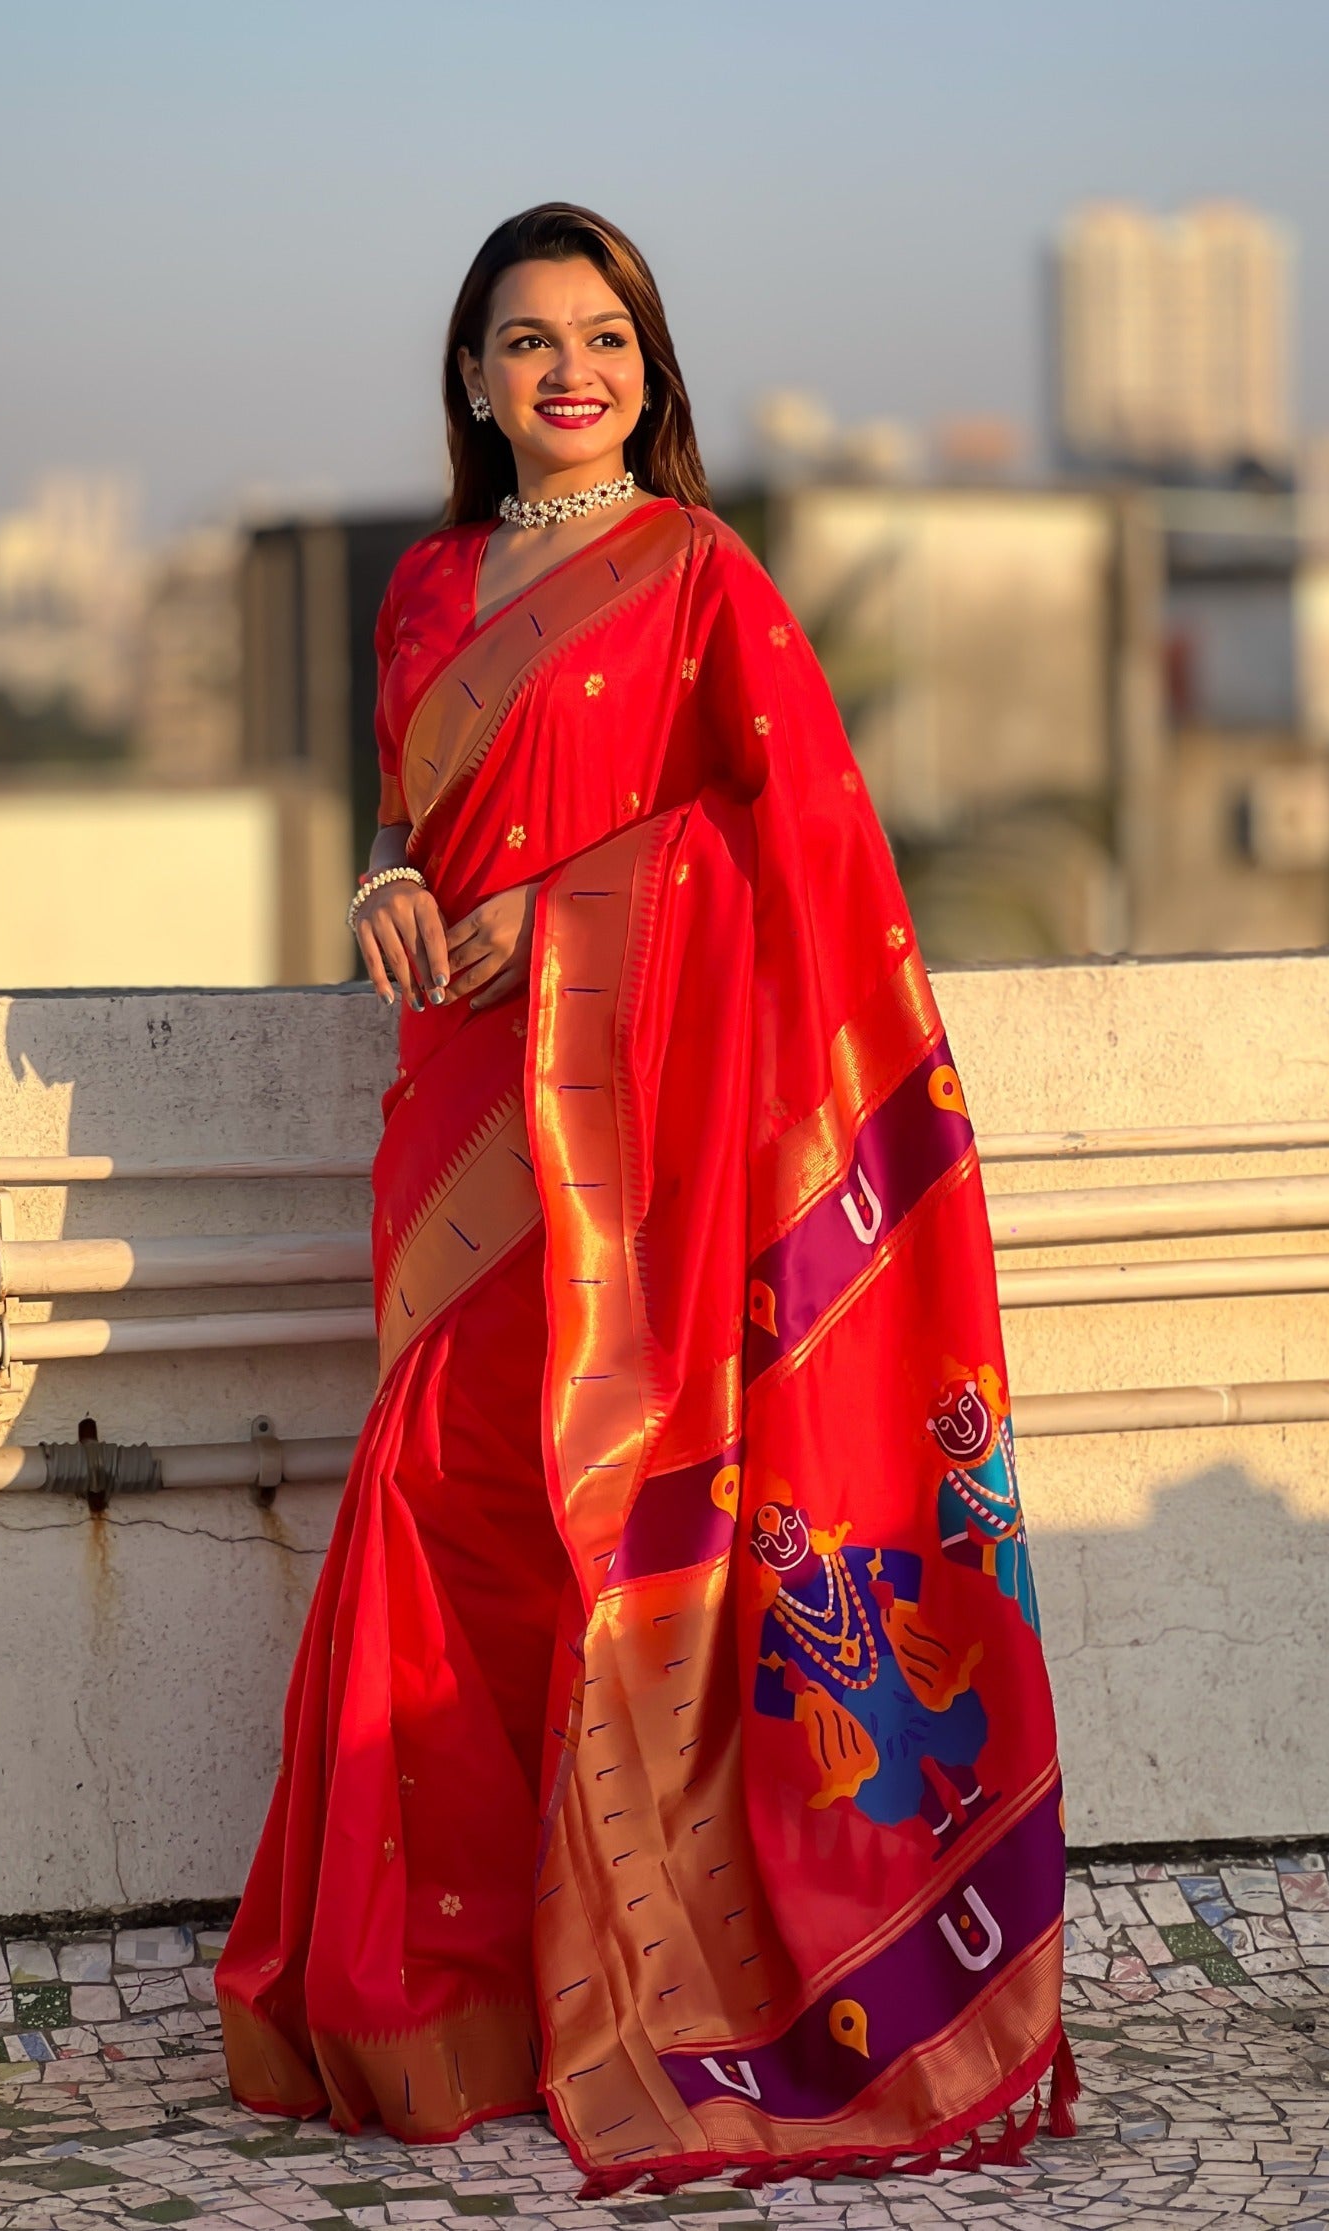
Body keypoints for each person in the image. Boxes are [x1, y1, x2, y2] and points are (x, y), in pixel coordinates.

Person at [216, 202, 1074, 2193]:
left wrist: (571, 914)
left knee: (608, 1521)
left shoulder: (700, 576)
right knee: (440, 1498)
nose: (566, 371)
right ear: (470, 377)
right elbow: (409, 808)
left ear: (651, 367)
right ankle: (436, 1996)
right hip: (457, 1116)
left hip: (635, 1141)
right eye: (525, 341)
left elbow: (788, 851)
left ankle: (630, 1975)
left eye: (600, 336)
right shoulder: (426, 584)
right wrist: (388, 883)